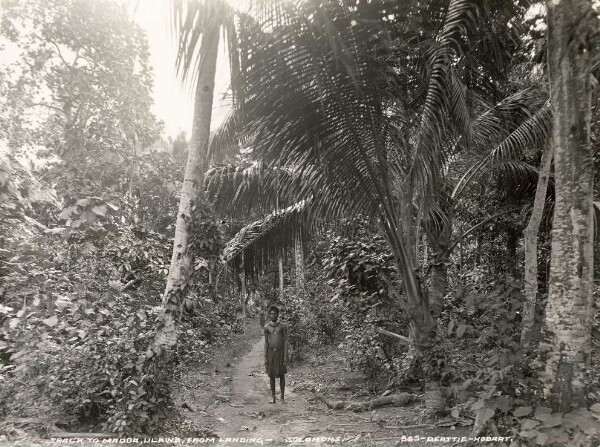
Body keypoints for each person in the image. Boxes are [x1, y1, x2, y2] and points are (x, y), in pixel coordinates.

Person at [263, 305, 288, 404]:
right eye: (271, 313)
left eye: (275, 313)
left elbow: (285, 341)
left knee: (282, 375)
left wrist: (285, 355)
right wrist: (265, 357)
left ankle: (282, 398)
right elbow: (266, 342)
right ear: (269, 315)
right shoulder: (267, 327)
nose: (273, 315)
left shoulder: (282, 326)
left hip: (280, 352)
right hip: (270, 353)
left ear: (278, 314)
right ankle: (273, 397)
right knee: (271, 375)